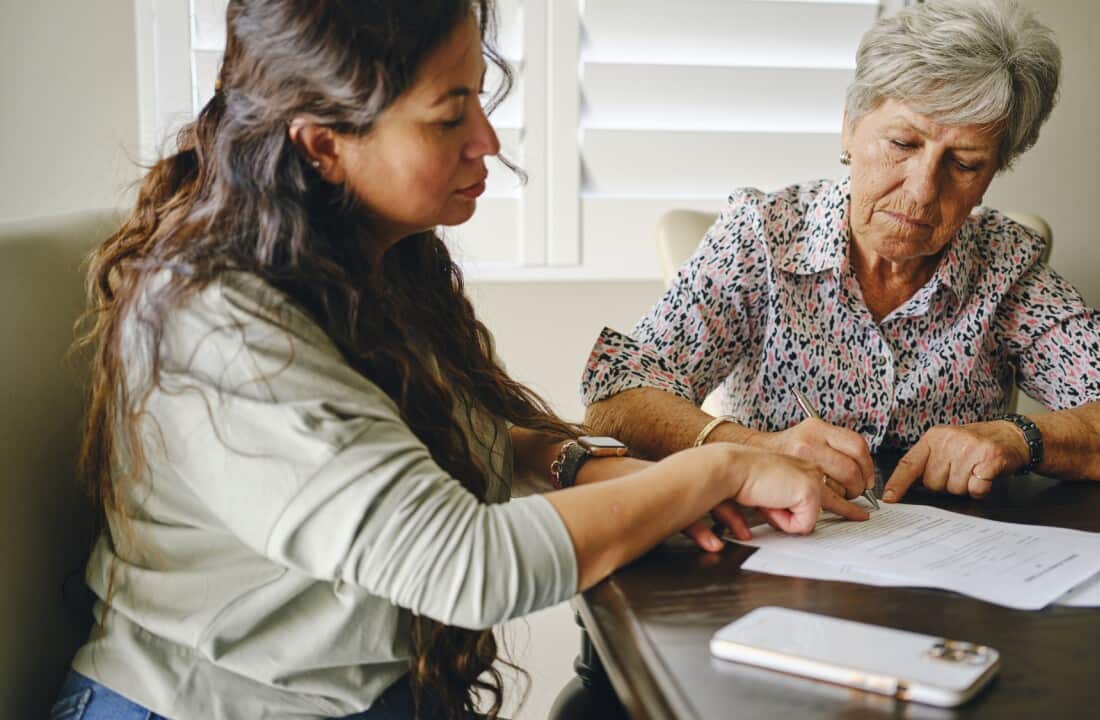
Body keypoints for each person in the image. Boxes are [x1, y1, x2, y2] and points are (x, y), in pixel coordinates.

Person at [50, 2, 865, 718]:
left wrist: (585, 464)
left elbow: (454, 439)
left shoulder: (365, 254)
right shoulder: (217, 327)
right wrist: (715, 470)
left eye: (480, 97)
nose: (488, 141)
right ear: (323, 145)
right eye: (450, 116)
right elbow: (465, 564)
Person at [580, 0, 1100, 552]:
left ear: (995, 173)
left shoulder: (1007, 266)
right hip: (775, 565)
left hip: (952, 584)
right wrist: (748, 447)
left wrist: (1020, 436)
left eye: (964, 163)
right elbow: (616, 392)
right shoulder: (763, 236)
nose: (921, 191)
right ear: (850, 128)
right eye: (903, 144)